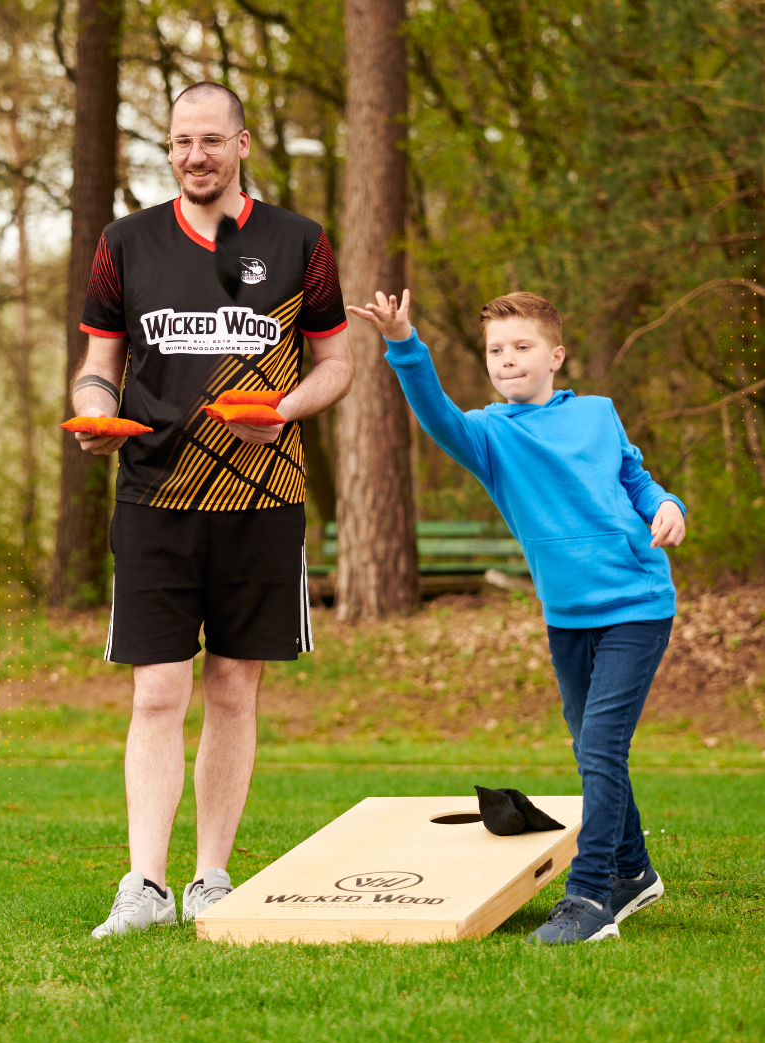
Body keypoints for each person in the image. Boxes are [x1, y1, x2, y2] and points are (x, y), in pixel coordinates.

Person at [72, 82, 353, 938]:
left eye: (209, 140)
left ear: (241, 143)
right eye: (179, 142)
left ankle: (211, 880)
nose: (194, 155)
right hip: (152, 495)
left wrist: (288, 413)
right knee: (158, 693)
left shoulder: (299, 241)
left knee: (233, 689)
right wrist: (92, 411)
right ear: (169, 149)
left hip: (262, 498)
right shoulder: (125, 242)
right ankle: (145, 887)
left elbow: (336, 362)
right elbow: (97, 362)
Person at [347, 289, 686, 945]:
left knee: (601, 748)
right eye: (496, 351)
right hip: (567, 616)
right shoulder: (491, 436)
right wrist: (402, 343)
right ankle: (634, 872)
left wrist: (665, 503)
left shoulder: (597, 414)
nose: (507, 360)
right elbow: (436, 414)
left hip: (638, 603)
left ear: (555, 355)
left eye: (521, 347)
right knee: (592, 746)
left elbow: (635, 479)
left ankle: (590, 900)